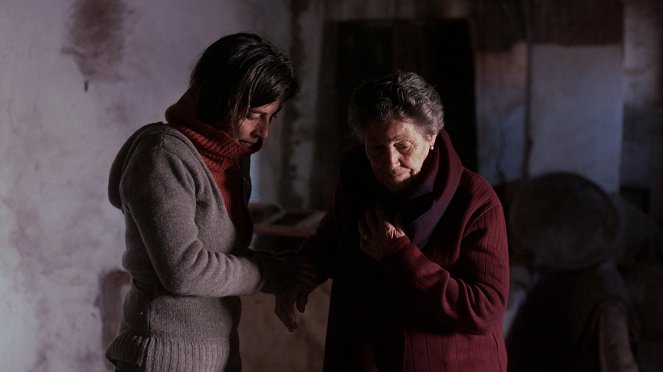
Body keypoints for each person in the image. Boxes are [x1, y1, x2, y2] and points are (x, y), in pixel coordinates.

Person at [276, 71, 510, 371]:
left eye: (403, 146)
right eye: (376, 147)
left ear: (431, 138)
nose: (389, 163)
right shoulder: (356, 179)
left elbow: (484, 310)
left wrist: (399, 255)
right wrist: (301, 274)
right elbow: (330, 241)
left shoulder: (475, 201)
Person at [105, 32, 298, 372]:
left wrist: (290, 274)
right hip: (162, 358)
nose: (264, 132)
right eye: (254, 114)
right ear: (221, 99)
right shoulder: (163, 155)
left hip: (217, 354)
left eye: (273, 117)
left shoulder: (233, 160)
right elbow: (185, 270)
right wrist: (271, 273)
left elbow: (225, 259)